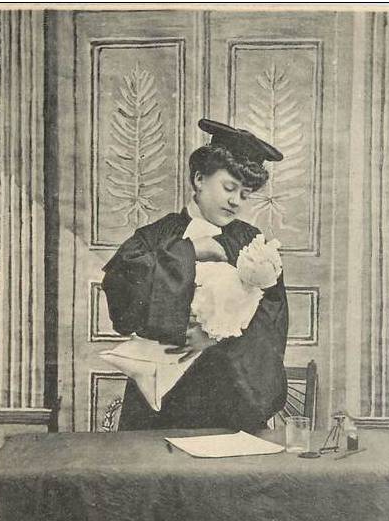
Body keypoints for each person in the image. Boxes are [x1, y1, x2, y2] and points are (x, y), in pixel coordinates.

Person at [102, 119, 288, 431]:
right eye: (229, 187)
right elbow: (122, 295)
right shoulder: (156, 235)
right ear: (199, 178)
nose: (235, 201)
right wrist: (188, 251)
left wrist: (214, 338)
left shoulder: (252, 242)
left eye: (245, 194)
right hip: (161, 399)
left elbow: (272, 317)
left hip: (230, 392)